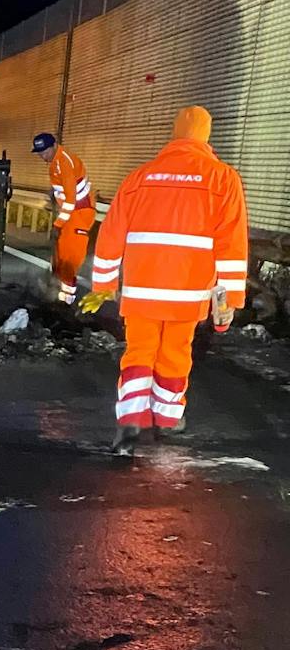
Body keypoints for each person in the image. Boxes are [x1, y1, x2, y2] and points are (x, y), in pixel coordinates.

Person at [86, 106, 248, 451]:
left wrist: (103, 285)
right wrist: (229, 301)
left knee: (139, 350)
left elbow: (111, 233)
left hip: (142, 289)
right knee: (175, 352)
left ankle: (130, 420)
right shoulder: (222, 178)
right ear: (206, 136)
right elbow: (231, 244)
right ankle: (168, 418)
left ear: (174, 134)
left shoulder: (140, 177)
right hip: (188, 292)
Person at [32, 130, 96, 303]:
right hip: (71, 214)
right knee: (60, 256)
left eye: (45, 151)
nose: (43, 156)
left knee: (69, 259)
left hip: (80, 214)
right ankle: (57, 293)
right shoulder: (55, 162)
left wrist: (59, 224)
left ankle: (66, 301)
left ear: (54, 145)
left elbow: (71, 199)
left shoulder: (63, 162)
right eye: (40, 153)